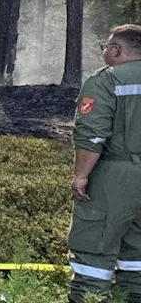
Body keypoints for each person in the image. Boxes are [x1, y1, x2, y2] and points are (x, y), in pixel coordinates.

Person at [67, 24, 141, 303]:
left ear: (117, 50)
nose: (104, 52)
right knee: (137, 258)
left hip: (115, 176)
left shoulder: (106, 81)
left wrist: (80, 175)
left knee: (93, 254)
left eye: (106, 47)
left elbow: (92, 134)